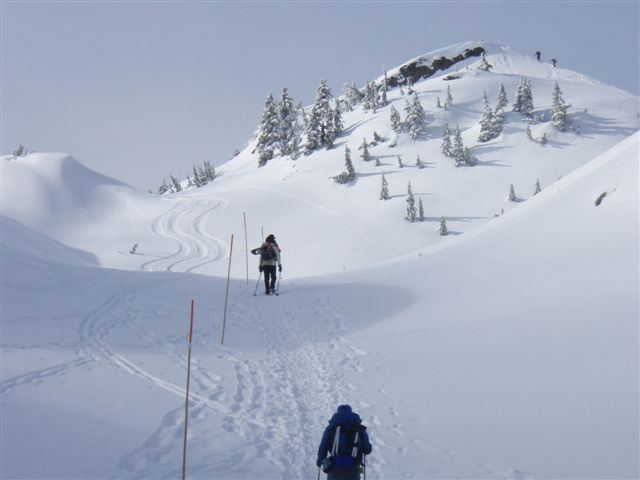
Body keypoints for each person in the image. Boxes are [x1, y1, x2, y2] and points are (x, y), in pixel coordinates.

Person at [317, 405, 372, 480]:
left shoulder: (331, 428)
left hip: (334, 467)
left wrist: (320, 461)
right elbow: (367, 450)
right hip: (354, 467)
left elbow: (323, 446)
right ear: (351, 413)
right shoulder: (360, 428)